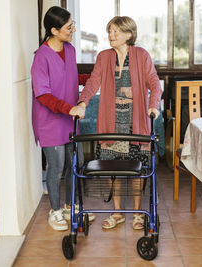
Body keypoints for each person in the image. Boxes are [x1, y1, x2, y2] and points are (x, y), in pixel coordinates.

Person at [70, 16, 162, 230]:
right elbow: (93, 82)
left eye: (115, 32)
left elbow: (154, 83)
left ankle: (138, 213)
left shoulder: (141, 55)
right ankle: (118, 212)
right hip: (112, 124)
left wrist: (153, 105)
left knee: (137, 170)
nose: (110, 35)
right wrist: (82, 103)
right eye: (109, 31)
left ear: (128, 34)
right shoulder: (104, 57)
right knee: (115, 169)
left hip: (136, 123)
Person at [31, 6, 94, 231]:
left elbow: (72, 77)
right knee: (56, 168)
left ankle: (69, 206)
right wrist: (69, 109)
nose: (73, 30)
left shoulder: (70, 49)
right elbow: (43, 94)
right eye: (69, 27)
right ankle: (55, 211)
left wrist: (94, 79)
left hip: (69, 118)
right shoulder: (41, 56)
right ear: (54, 30)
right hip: (50, 120)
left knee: (71, 165)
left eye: (72, 25)